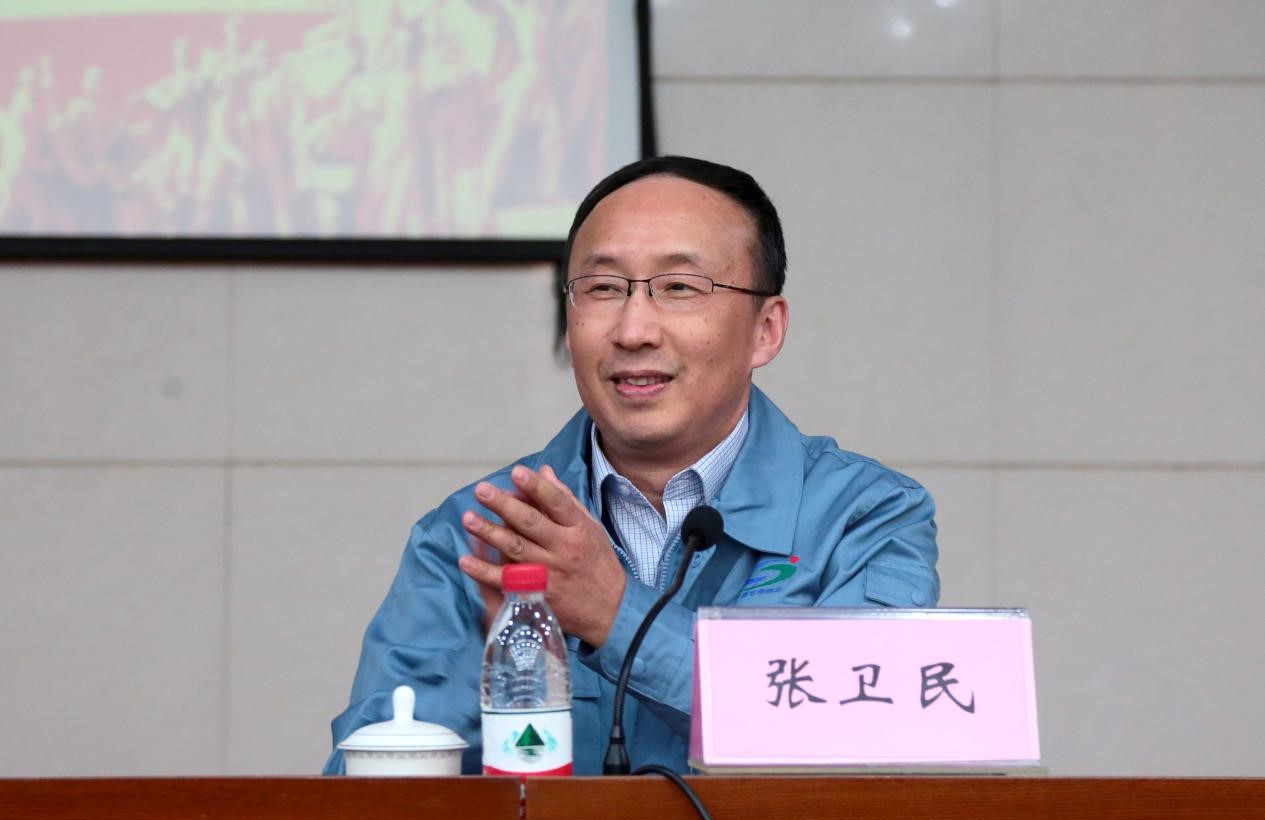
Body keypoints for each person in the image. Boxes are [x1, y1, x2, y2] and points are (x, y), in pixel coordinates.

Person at [325, 155, 939, 775]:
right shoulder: (476, 533)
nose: (634, 329)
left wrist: (612, 613)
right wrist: (503, 677)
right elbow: (374, 794)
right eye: (602, 288)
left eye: (680, 287)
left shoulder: (863, 516)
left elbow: (867, 742)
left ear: (766, 330)